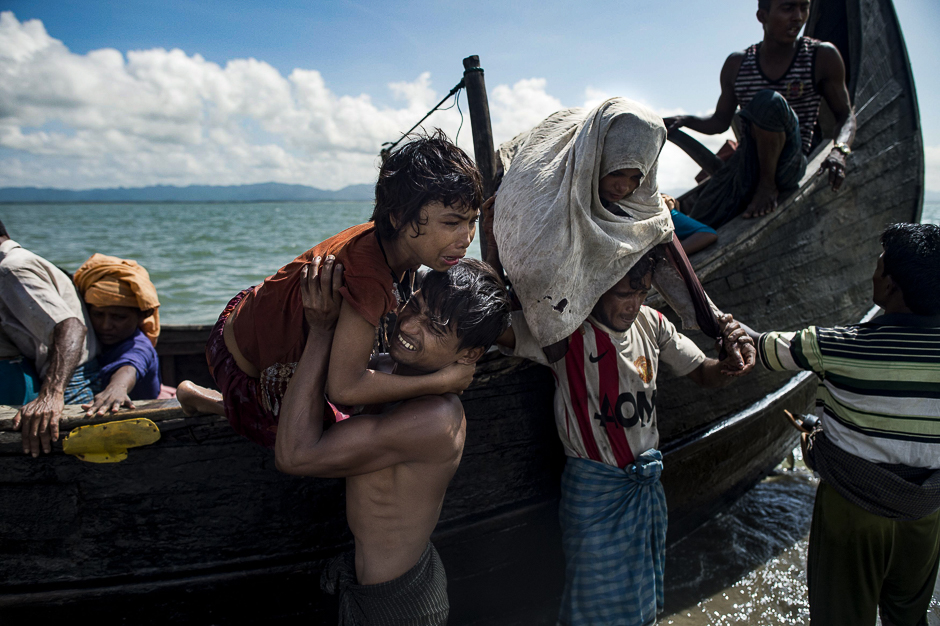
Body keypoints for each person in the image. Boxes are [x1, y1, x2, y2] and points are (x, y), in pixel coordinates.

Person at [495, 249, 755, 626]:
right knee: (593, 603)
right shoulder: (564, 334)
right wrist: (492, 241)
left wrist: (727, 367)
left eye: (642, 292)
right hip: (595, 493)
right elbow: (497, 325)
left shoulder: (653, 324)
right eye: (622, 294)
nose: (633, 304)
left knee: (639, 597)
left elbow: (702, 371)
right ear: (595, 287)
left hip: (646, 488)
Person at [177, 131, 483, 447]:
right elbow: (346, 389)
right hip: (241, 363)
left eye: (472, 221)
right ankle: (204, 398)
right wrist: (440, 382)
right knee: (314, 428)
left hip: (248, 313)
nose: (467, 237)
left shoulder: (392, 243)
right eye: (451, 223)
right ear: (398, 218)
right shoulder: (368, 277)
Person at [275, 255, 512, 625]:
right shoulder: (385, 369)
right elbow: (312, 404)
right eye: (414, 305)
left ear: (469, 354)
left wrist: (321, 331)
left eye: (434, 326)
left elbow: (295, 454)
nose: (410, 326)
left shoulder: (436, 419)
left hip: (401, 602)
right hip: (371, 582)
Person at [740, 223, 940, 625]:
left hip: (853, 511)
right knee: (909, 617)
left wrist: (724, 325)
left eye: (881, 267)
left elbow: (761, 347)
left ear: (894, 289)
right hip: (925, 509)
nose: (874, 274)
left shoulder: (837, 345)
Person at [664, 0, 856, 226]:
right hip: (746, 164)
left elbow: (846, 116)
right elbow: (719, 122)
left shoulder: (821, 56)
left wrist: (840, 151)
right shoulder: (738, 64)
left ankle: (767, 187)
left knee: (768, 102)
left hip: (789, 165)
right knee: (698, 222)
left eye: (804, 7)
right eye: (788, 8)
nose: (798, 16)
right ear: (762, 16)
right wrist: (684, 120)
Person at [0, 220, 99, 457]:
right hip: (71, 374)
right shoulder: (17, 261)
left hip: (70, 382)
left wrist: (51, 395)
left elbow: (71, 327)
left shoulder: (10, 269)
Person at [72, 253, 164, 417]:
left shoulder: (139, 346)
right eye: (98, 314)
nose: (106, 326)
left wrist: (117, 388)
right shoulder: (93, 339)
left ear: (141, 316)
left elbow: (131, 366)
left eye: (119, 317)